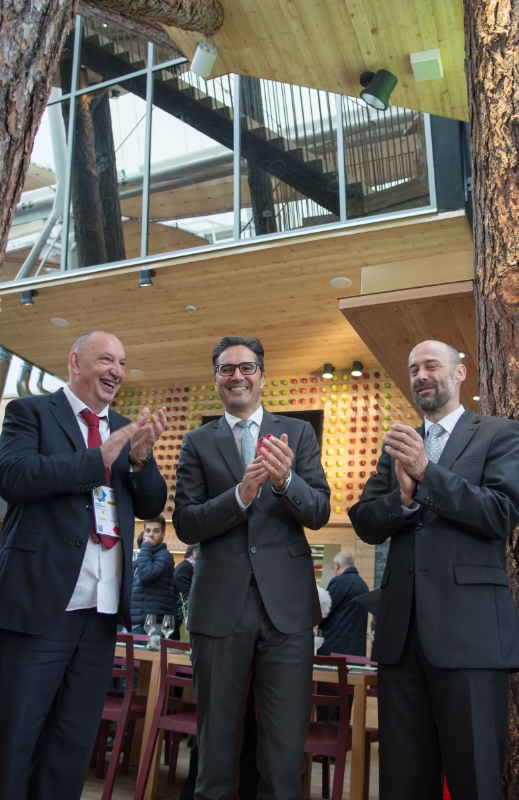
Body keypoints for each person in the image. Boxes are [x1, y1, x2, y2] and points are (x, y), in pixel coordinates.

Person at [0, 330, 167, 800]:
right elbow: (13, 476)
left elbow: (152, 503)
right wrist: (97, 460)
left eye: (123, 363)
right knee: (15, 736)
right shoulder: (31, 412)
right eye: (106, 360)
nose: (117, 371)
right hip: (40, 604)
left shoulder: (127, 428)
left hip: (101, 611)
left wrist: (140, 460)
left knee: (71, 742)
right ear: (75, 362)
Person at [349, 339, 519, 800]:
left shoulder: (500, 434)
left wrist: (428, 474)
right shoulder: (398, 446)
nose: (421, 375)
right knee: (403, 782)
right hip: (402, 642)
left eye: (431, 365)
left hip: (471, 639)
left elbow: (500, 513)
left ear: (459, 373)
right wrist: (403, 500)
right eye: (413, 369)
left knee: (476, 781)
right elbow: (365, 523)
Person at [174, 335, 330, 800]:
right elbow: (185, 523)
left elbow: (319, 511)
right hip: (220, 605)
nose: (236, 376)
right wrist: (239, 497)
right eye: (226, 369)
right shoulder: (197, 441)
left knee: (284, 749)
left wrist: (285, 482)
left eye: (246, 367)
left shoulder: (297, 432)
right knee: (216, 745)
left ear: (262, 376)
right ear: (216, 380)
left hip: (287, 609)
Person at [131, 516, 176, 633]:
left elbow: (147, 575)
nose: (151, 535)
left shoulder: (164, 556)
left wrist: (145, 546)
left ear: (163, 534)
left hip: (151, 623)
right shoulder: (146, 554)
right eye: (148, 531)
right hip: (138, 621)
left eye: (156, 531)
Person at [318, 552, 369, 656]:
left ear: (337, 565)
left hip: (336, 647)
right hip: (357, 649)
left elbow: (325, 610)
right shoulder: (363, 585)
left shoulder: (339, 582)